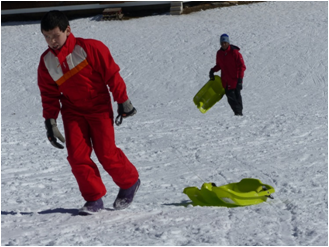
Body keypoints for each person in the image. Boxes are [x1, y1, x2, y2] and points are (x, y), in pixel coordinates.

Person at [37, 10, 140, 215]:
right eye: (46, 37)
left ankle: (129, 182)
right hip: (72, 111)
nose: (51, 41)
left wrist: (123, 101)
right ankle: (94, 198)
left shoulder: (89, 47)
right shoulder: (46, 61)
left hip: (98, 107)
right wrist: (50, 121)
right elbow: (49, 94)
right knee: (77, 156)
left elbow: (112, 74)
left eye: (55, 35)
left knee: (106, 153)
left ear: (68, 30)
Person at [209, 34, 246, 116]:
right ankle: (238, 114)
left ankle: (239, 114)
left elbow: (242, 66)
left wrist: (240, 80)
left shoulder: (235, 53)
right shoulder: (219, 53)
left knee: (236, 97)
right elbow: (219, 65)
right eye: (222, 43)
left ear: (228, 42)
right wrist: (212, 70)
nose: (224, 44)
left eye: (225, 42)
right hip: (226, 80)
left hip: (235, 79)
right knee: (230, 97)